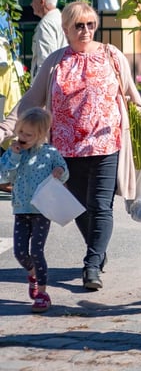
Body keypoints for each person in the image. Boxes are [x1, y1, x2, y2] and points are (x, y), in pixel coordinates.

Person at [0, 1, 141, 291]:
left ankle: (92, 264)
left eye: (90, 25)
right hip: (67, 149)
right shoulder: (56, 62)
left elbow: (133, 98)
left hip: (107, 143)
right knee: (80, 208)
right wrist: (5, 129)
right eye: (79, 26)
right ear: (66, 29)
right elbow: (30, 101)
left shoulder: (112, 56)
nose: (85, 31)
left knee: (100, 206)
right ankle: (98, 248)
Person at [1, 107, 69, 313]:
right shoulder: (14, 153)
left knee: (37, 251)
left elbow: (64, 171)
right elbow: (4, 176)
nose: (22, 138)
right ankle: (32, 274)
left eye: (28, 135)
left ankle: (42, 293)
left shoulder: (50, 153)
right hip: (21, 208)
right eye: (20, 132)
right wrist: (13, 156)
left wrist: (60, 172)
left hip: (42, 209)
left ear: (40, 135)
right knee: (20, 252)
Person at [30, 0, 68, 78]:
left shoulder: (45, 25)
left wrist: (38, 90)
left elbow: (45, 61)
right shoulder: (61, 18)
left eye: (33, 0)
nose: (31, 4)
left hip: (48, 85)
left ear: (41, 1)